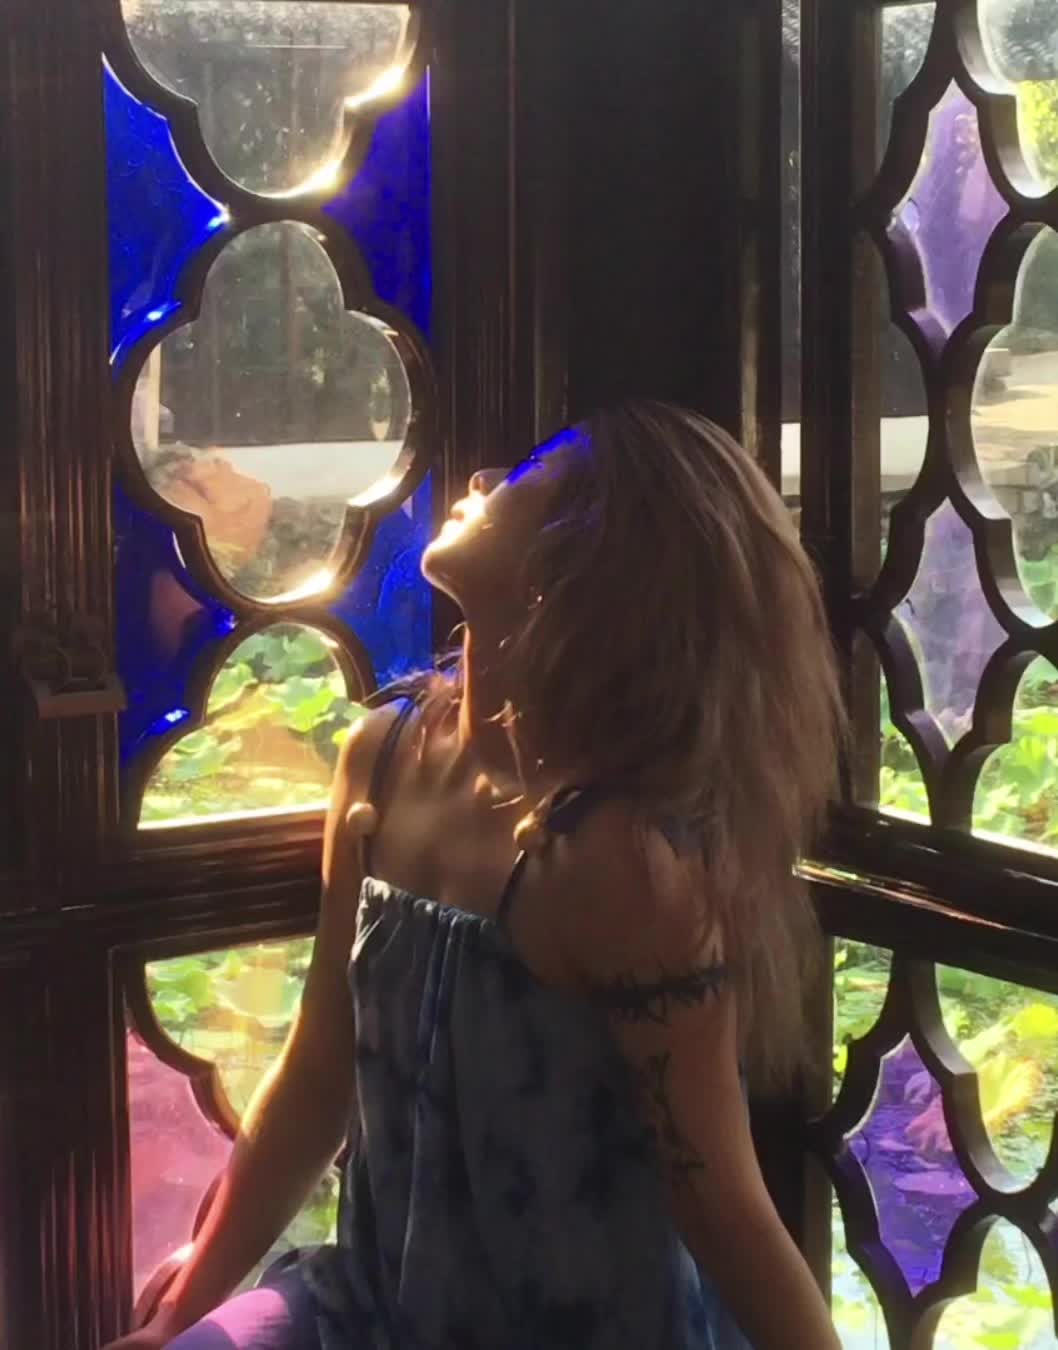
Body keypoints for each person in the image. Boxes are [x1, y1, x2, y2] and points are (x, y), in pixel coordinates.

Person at [105, 403, 845, 1350]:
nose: (483, 479)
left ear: (583, 564)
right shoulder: (383, 754)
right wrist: (184, 1307)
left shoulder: (618, 861)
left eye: (527, 478)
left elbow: (722, 1203)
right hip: (372, 1305)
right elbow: (318, 1075)